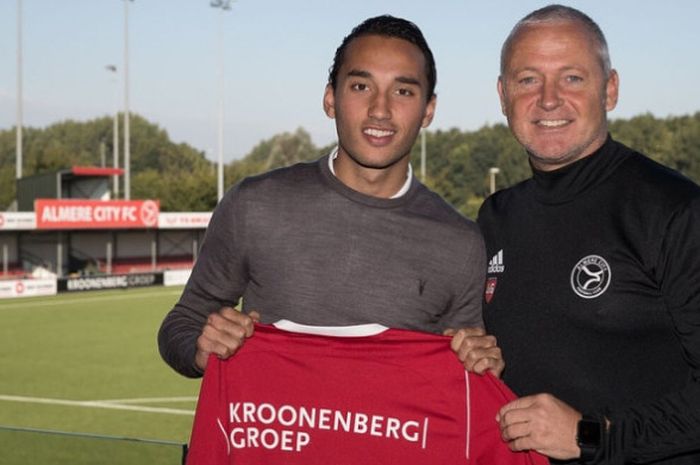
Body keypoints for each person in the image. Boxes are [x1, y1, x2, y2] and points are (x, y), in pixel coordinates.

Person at [158, 15, 501, 380]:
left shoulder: (459, 242)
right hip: (276, 436)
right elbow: (183, 322)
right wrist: (200, 347)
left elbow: (465, 367)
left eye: (403, 91)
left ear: (428, 110)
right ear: (330, 99)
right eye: (360, 87)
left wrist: (479, 365)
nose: (380, 110)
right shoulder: (254, 204)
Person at [478, 4, 700, 464]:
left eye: (572, 77)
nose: (549, 98)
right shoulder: (496, 215)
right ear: (503, 96)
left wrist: (591, 437)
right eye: (527, 80)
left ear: (611, 89)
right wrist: (474, 352)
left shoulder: (675, 210)